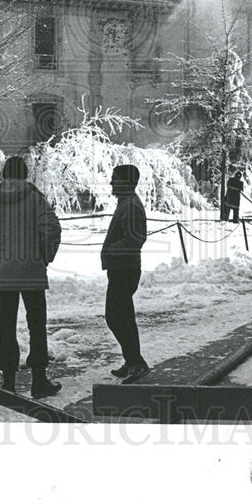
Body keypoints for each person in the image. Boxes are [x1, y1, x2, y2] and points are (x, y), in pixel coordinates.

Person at [0, 156, 62, 399]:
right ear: (25, 173)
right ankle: (39, 380)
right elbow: (52, 227)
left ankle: (8, 381)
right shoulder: (35, 197)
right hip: (32, 271)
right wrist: (44, 256)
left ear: (4, 173)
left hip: (3, 274)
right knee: (37, 326)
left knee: (7, 326)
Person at [101, 164, 149, 383]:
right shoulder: (126, 203)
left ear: (126, 182)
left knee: (115, 316)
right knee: (124, 317)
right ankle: (132, 361)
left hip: (124, 269)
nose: (111, 182)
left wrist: (111, 250)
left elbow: (134, 240)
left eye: (115, 179)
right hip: (122, 268)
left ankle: (136, 362)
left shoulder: (130, 206)